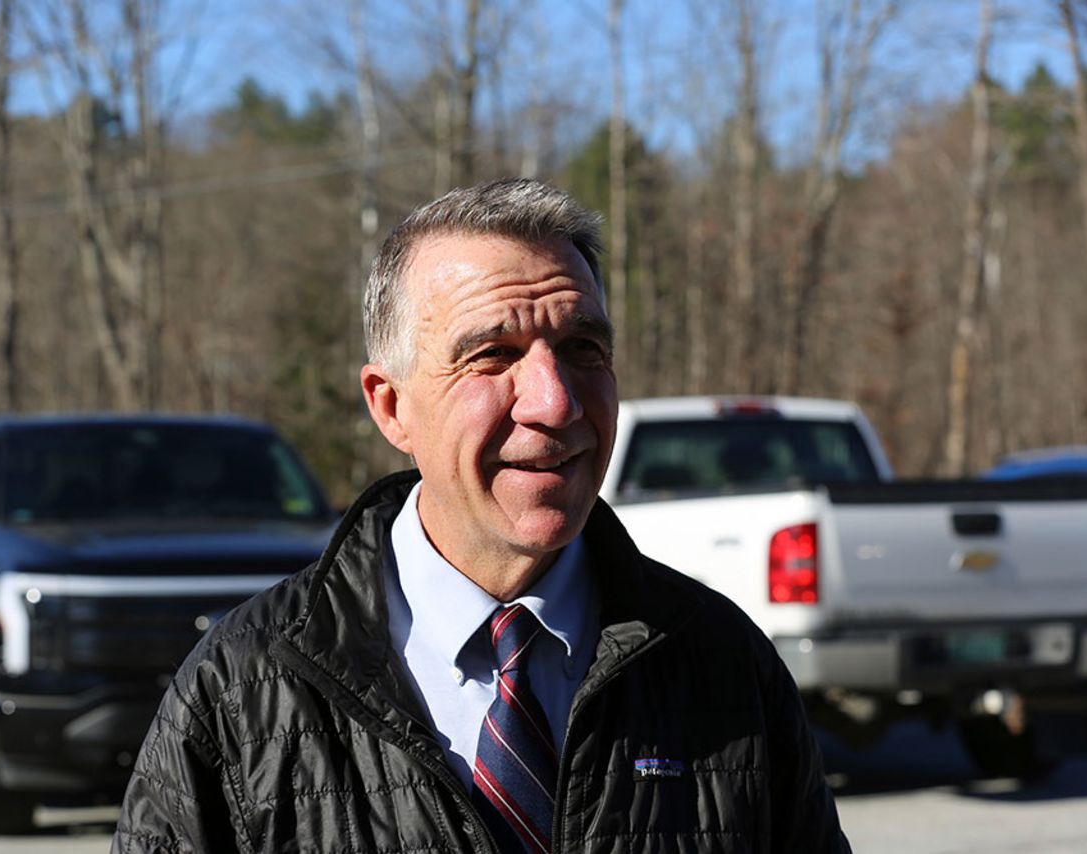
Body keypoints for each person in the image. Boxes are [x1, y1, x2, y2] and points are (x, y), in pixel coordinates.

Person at [112, 178, 850, 853]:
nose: (555, 401)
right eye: (492, 355)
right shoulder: (245, 690)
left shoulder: (721, 665)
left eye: (581, 348)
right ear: (391, 406)